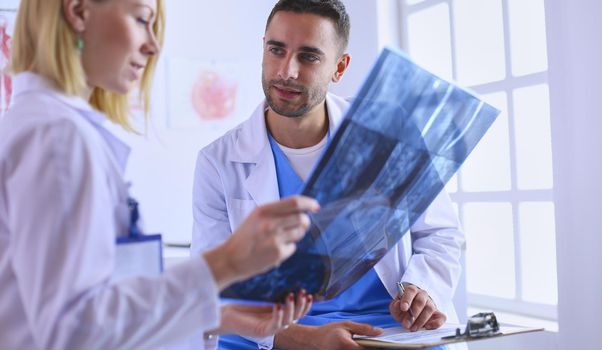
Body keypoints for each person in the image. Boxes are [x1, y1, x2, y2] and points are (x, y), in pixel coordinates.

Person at [0, 0, 318, 349]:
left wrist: (214, 317)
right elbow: (72, 333)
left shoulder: (43, 125)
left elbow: (93, 309)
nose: (152, 45)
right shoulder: (57, 137)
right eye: (141, 20)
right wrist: (224, 263)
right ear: (78, 12)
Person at [191, 0, 465, 349]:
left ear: (339, 67)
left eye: (309, 56)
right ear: (264, 49)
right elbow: (211, 284)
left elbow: (440, 232)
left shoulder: (391, 132)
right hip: (279, 333)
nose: (287, 71)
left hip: (388, 332)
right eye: (277, 50)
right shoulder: (218, 162)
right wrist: (303, 339)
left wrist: (421, 288)